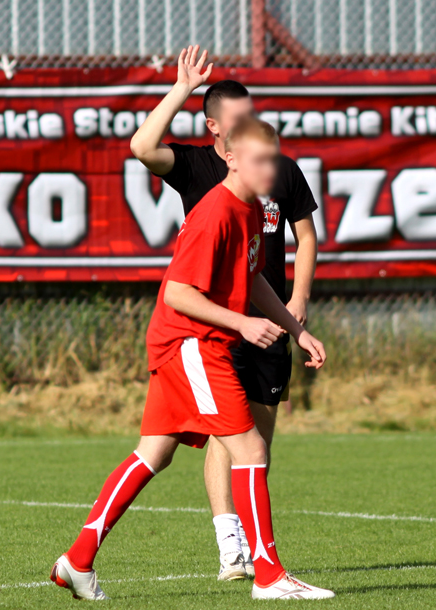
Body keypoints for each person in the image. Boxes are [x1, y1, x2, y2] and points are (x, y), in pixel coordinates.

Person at [50, 118, 334, 601]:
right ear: (232, 158)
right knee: (250, 451)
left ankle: (76, 562)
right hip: (191, 344)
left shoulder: (249, 211)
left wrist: (296, 329)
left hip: (182, 343)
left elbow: (254, 281)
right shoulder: (217, 212)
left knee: (153, 454)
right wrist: (242, 323)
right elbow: (179, 293)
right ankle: (269, 576)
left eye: (275, 158)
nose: (273, 168)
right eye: (261, 159)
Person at [130, 45, 320, 580]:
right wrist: (181, 88)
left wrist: (293, 312)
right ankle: (236, 548)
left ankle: (79, 558)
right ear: (216, 130)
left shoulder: (275, 173)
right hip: (216, 326)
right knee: (231, 436)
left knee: (248, 436)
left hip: (265, 320)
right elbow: (143, 145)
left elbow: (298, 243)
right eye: (238, 123)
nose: (250, 130)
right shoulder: (199, 171)